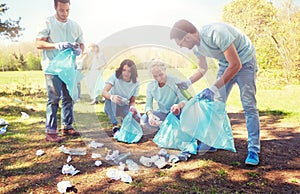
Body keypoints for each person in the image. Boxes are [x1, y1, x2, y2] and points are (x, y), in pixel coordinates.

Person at [170, 19, 260, 165]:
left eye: (181, 44)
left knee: (249, 105)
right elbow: (202, 69)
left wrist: (213, 87)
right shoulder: (196, 47)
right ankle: (211, 140)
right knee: (215, 105)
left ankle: (253, 150)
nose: (183, 47)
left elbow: (236, 65)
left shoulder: (216, 32)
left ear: (187, 36)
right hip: (226, 64)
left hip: (245, 61)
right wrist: (187, 82)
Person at [36, 0, 84, 142]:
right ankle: (51, 131)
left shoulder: (75, 26)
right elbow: (39, 43)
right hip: (52, 67)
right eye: (61, 10)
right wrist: (57, 45)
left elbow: (82, 45)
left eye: (67, 10)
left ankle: (67, 127)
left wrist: (78, 49)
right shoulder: (47, 23)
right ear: (55, 7)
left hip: (69, 68)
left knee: (69, 98)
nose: (64, 14)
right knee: (54, 99)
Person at [140, 60, 187, 134]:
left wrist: (178, 105)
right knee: (144, 120)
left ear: (165, 70)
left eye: (161, 74)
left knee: (183, 124)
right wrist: (150, 115)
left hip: (177, 114)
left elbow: (185, 100)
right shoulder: (151, 86)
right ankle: (163, 127)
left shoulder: (175, 81)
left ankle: (164, 127)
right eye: (155, 76)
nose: (158, 78)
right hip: (162, 113)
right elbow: (148, 105)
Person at [102, 59, 140, 135]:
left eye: (129, 71)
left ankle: (124, 122)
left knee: (137, 118)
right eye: (124, 70)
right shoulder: (115, 77)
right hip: (112, 107)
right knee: (108, 99)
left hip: (125, 106)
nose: (126, 73)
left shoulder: (136, 83)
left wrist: (132, 107)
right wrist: (112, 97)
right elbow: (104, 92)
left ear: (133, 72)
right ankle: (115, 125)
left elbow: (132, 101)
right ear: (121, 70)